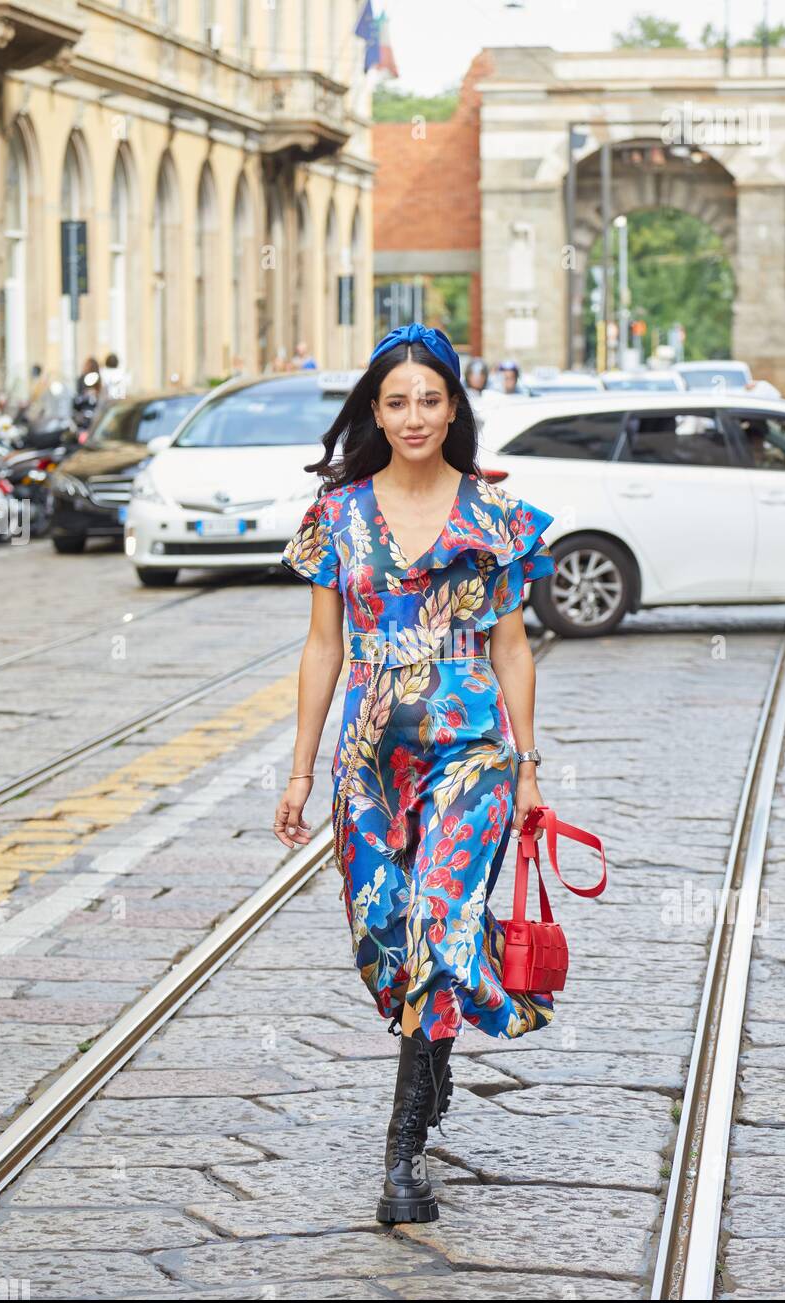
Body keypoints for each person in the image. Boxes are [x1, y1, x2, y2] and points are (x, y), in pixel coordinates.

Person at [275, 320, 556, 1225]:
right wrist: (299, 771)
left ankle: (401, 1157)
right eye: (396, 401)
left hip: (470, 750)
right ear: (374, 410)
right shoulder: (339, 516)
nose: (414, 415)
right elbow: (323, 647)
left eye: (430, 399)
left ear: (453, 406)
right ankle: (430, 1064)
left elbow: (512, 650)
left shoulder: (494, 515)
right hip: (369, 759)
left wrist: (526, 768)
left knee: (440, 923)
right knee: (384, 938)